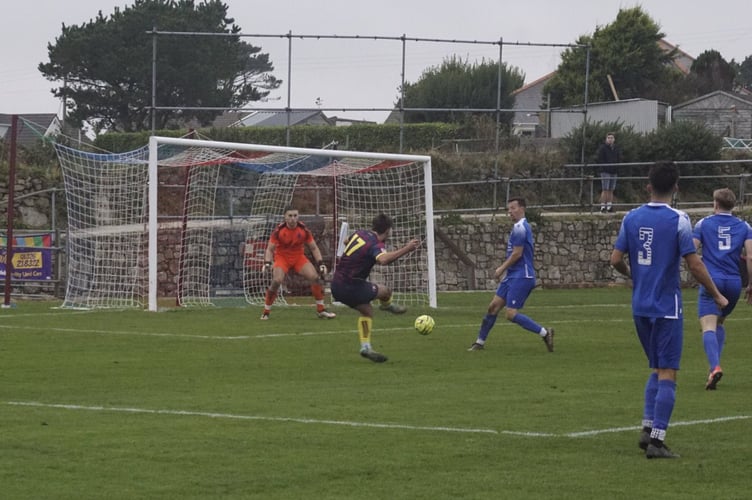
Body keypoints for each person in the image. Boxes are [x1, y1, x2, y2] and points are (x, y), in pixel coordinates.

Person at [610, 161, 728, 459]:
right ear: (676, 187)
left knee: (657, 366)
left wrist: (633, 275)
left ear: (647, 185)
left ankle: (648, 428)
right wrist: (717, 295)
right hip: (666, 307)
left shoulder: (631, 217)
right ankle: (658, 441)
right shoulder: (679, 220)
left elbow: (614, 259)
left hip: (640, 306)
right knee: (669, 371)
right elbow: (694, 263)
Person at [330, 213, 421, 363]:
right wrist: (407, 248)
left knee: (367, 311)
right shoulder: (375, 245)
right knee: (385, 291)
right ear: (387, 231)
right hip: (351, 286)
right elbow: (383, 260)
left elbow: (347, 241)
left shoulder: (360, 233)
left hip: (336, 285)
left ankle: (366, 346)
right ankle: (387, 305)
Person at [467, 197, 554, 353]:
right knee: (493, 307)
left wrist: (501, 268)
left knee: (510, 314)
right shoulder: (517, 227)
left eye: (513, 208)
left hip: (522, 275)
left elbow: (517, 254)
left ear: (522, 209)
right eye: (508, 209)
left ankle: (545, 333)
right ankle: (479, 343)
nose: (510, 212)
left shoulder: (521, 227)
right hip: (513, 275)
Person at [691, 188, 752, 390]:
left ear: (715, 204)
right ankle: (712, 370)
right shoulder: (744, 226)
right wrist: (750, 283)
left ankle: (715, 366)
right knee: (719, 323)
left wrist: (696, 265)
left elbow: (691, 249)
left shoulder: (704, 223)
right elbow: (750, 256)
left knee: (708, 325)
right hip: (734, 282)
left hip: (712, 281)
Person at [260, 206, 336, 320]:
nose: (293, 219)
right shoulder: (279, 231)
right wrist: (267, 262)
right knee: (277, 280)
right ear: (285, 217)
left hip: (298, 257)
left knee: (315, 277)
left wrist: (321, 263)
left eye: (295, 216)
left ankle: (321, 310)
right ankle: (266, 311)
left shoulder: (303, 230)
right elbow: (270, 249)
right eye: (290, 216)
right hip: (282, 258)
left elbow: (314, 248)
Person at [597, 132, 622, 213]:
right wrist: (605, 167)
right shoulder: (603, 148)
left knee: (611, 189)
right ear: (606, 139)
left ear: (614, 139)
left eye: (611, 138)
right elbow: (600, 159)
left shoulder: (616, 148)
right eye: (609, 138)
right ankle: (603, 206)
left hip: (614, 171)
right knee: (605, 189)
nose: (610, 139)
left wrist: (616, 168)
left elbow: (618, 159)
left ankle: (609, 206)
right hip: (605, 171)